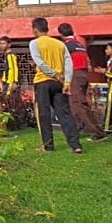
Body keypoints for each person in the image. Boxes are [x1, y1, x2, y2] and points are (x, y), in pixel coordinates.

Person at [29, 17, 81, 153]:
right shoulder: (60, 44)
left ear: (35, 30)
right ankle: (76, 145)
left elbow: (39, 62)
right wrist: (67, 81)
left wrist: (53, 74)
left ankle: (48, 146)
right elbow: (69, 63)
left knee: (44, 114)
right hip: (59, 83)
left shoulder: (34, 43)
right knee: (64, 114)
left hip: (42, 81)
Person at [59, 24, 107, 141]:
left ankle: (97, 132)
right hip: (84, 75)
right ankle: (78, 128)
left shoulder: (66, 46)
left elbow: (63, 62)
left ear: (61, 34)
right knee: (80, 103)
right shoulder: (79, 45)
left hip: (74, 75)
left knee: (78, 105)